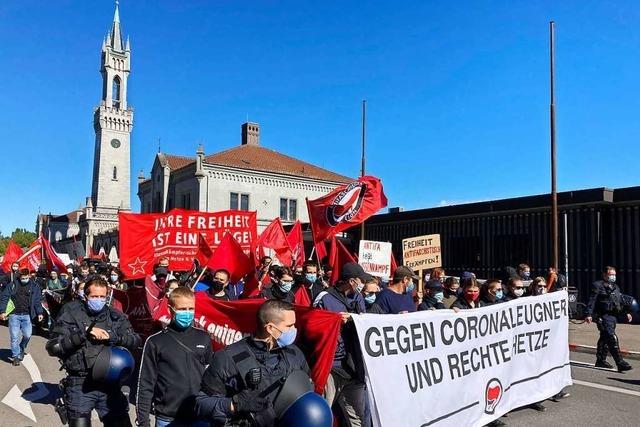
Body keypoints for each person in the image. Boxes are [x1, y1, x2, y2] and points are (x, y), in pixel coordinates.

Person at [195, 300, 310, 426]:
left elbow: (308, 391)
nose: (294, 329)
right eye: (289, 326)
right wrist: (235, 404)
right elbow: (201, 404)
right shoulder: (228, 357)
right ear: (270, 328)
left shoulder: (295, 354)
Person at [45, 276, 141, 426]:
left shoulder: (115, 316)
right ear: (85, 296)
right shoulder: (71, 314)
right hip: (80, 384)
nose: (99, 300)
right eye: (94, 296)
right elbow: (53, 347)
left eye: (102, 297)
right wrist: (82, 334)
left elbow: (135, 340)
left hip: (110, 384)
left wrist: (113, 337)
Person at [136, 287, 213, 427]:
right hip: (167, 418)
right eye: (183, 309)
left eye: (191, 308)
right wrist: (143, 421)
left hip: (200, 415)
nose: (188, 313)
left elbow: (212, 378)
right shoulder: (155, 341)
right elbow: (145, 384)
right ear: (171, 309)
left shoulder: (204, 337)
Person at [314, 262, 370, 427]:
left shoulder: (358, 297)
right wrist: (335, 323)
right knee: (321, 415)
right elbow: (313, 327)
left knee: (358, 418)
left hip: (353, 367)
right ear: (352, 281)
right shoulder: (324, 298)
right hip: (331, 368)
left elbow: (365, 322)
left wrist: (353, 319)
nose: (363, 284)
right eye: (361, 280)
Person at [585, 266, 633, 372]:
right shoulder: (598, 285)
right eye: (611, 274)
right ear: (605, 275)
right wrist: (589, 314)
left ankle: (600, 360)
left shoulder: (615, 287)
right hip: (603, 316)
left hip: (613, 317)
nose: (613, 276)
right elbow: (592, 300)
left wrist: (626, 313)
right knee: (611, 337)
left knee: (604, 338)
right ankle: (620, 363)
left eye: (614, 274)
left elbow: (619, 302)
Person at [0, 268, 44, 365]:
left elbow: (37, 301)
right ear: (19, 277)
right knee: (14, 336)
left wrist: (39, 313)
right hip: (14, 315)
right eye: (22, 278)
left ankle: (22, 347)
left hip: (27, 315)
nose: (24, 279)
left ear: (29, 276)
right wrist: (2, 311)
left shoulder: (34, 286)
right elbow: (4, 297)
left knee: (27, 335)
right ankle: (16, 356)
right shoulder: (12, 285)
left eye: (26, 278)